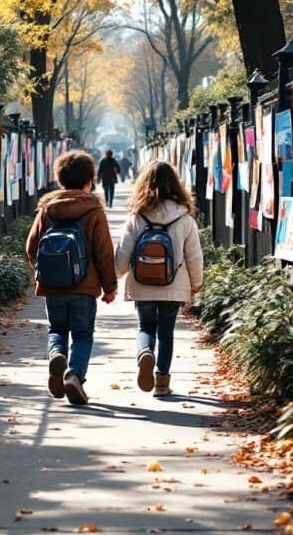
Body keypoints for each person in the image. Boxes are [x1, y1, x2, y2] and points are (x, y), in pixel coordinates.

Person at [26, 150, 118, 406]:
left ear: (59, 179)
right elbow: (103, 251)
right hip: (84, 287)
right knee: (82, 334)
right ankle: (75, 374)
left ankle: (56, 354)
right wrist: (109, 287)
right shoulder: (93, 210)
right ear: (90, 180)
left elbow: (30, 247)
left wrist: (43, 270)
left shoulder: (47, 209)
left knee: (56, 329)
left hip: (53, 286)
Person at [115, 160, 203, 397]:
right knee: (166, 332)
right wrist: (196, 285)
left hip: (142, 283)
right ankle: (162, 382)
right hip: (174, 285)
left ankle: (144, 352)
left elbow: (124, 251)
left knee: (145, 326)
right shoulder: (185, 218)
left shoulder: (138, 216)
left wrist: (115, 276)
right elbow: (194, 256)